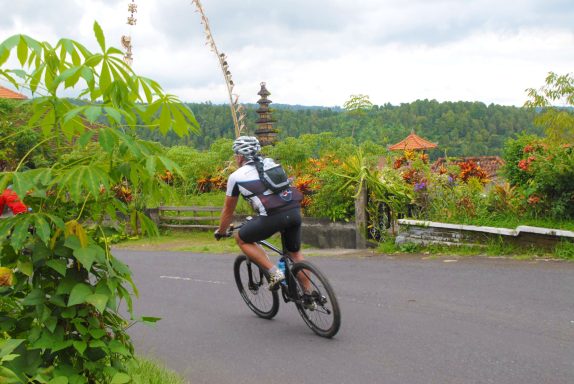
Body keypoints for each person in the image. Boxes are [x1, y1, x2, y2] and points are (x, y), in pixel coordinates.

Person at [215, 136, 305, 290]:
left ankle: (275, 273)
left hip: (272, 217)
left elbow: (228, 210)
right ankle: (310, 296)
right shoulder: (273, 164)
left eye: (235, 154)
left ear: (240, 156)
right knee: (295, 255)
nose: (235, 157)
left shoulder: (236, 177)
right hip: (295, 211)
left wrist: (221, 231)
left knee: (241, 238)